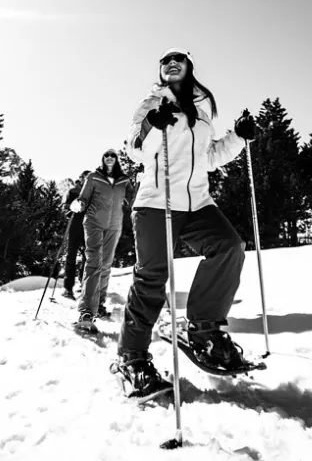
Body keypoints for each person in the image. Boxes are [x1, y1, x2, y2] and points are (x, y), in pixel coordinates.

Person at [114, 47, 256, 399]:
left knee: (229, 247)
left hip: (197, 202)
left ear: (189, 66)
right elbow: (134, 148)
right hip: (156, 201)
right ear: (160, 71)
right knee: (152, 277)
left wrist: (238, 136)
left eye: (178, 58)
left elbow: (208, 157)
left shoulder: (203, 106)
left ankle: (204, 330)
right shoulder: (151, 103)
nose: (171, 63)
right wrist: (152, 124)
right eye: (165, 61)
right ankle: (131, 357)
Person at [70, 149, 132, 330]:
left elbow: (132, 198)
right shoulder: (94, 177)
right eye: (107, 156)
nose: (110, 158)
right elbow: (83, 198)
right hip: (94, 222)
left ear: (117, 160)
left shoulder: (124, 181)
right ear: (103, 159)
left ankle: (100, 303)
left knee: (106, 264)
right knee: (94, 262)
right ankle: (86, 311)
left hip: (115, 225)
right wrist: (78, 204)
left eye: (113, 156)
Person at [62, 171, 90, 300]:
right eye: (85, 178)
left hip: (88, 227)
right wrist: (69, 212)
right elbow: (65, 206)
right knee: (71, 255)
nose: (86, 180)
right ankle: (68, 288)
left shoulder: (91, 193)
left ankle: (83, 283)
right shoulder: (73, 191)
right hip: (74, 225)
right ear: (81, 179)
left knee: (87, 256)